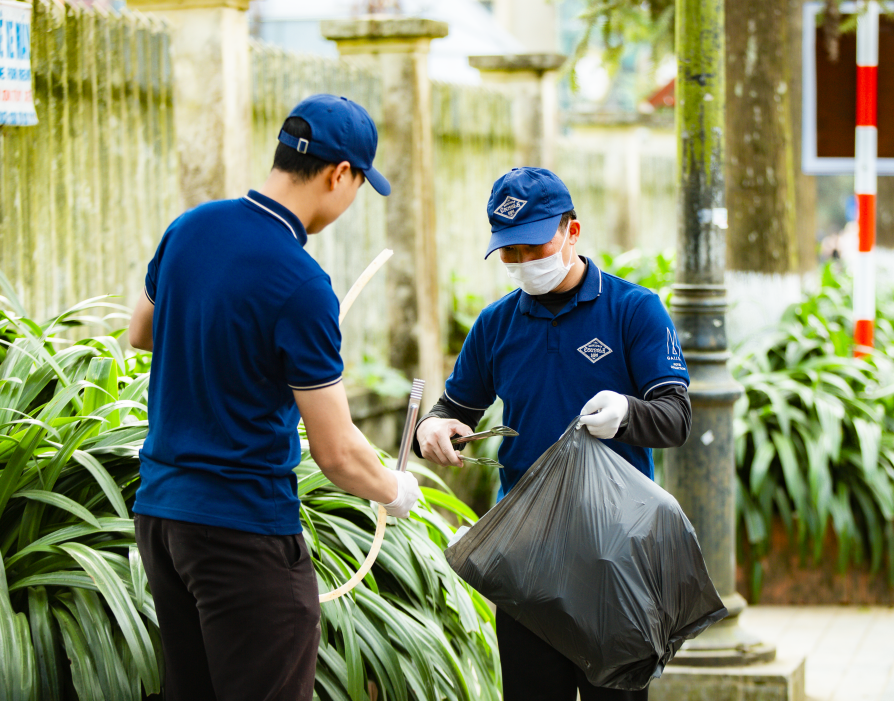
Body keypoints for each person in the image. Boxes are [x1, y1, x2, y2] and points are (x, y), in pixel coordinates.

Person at [127, 94, 421, 701]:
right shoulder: (301, 283)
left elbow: (141, 332)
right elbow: (336, 453)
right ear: (341, 175)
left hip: (162, 520)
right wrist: (394, 490)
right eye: (360, 185)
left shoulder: (191, 228)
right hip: (242, 533)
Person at [414, 167, 691, 701]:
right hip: (527, 559)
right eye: (509, 253)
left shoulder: (633, 310)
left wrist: (627, 412)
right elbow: (457, 407)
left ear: (572, 232)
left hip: (616, 554)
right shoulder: (496, 325)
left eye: (533, 246)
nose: (523, 263)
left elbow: (675, 417)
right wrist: (435, 425)